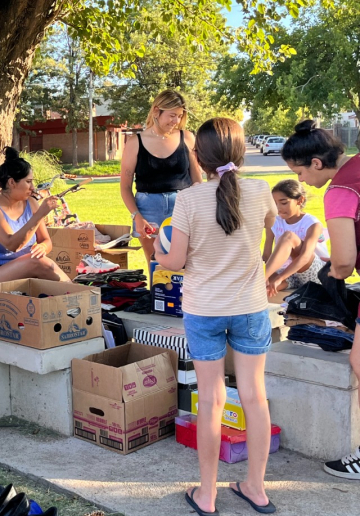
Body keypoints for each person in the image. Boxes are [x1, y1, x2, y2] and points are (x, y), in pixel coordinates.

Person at [153, 118, 277, 515]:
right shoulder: (261, 192)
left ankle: (207, 495)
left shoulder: (189, 200)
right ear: (241, 152)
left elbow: (173, 262)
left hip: (204, 311)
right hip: (251, 307)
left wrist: (154, 244)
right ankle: (256, 489)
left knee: (210, 402)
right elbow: (269, 230)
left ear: (198, 158)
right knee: (256, 399)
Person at [281, 119, 360, 480]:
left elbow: (343, 259)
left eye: (298, 172)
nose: (302, 182)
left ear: (316, 162)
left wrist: (335, 274)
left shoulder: (338, 189)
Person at [121, 89, 202, 265]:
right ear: (157, 111)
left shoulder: (187, 138)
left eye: (180, 116)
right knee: (155, 266)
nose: (176, 121)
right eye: (172, 115)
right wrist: (137, 216)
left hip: (182, 207)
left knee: (186, 266)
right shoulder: (135, 142)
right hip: (147, 210)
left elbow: (197, 180)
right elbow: (125, 187)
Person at [0, 147, 68, 285]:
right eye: (28, 182)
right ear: (12, 182)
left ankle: (74, 291)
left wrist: (43, 247)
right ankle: (75, 293)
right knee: (36, 262)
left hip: (28, 265)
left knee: (39, 263)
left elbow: (46, 241)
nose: (32, 187)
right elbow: (13, 245)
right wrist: (41, 213)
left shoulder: (31, 203)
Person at [263, 179, 329, 297]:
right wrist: (273, 277)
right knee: (264, 288)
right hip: (287, 274)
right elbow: (266, 256)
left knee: (288, 237)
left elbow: (305, 257)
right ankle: (260, 281)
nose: (278, 208)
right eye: (275, 203)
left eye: (283, 203)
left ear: (300, 200)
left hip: (314, 274)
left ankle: (259, 279)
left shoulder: (312, 223)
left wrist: (278, 277)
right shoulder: (274, 221)